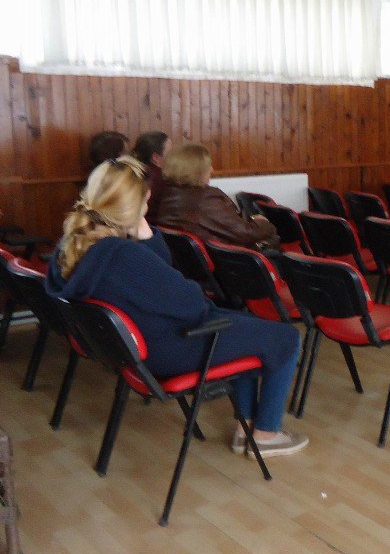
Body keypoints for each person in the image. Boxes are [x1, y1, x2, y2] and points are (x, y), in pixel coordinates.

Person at [45, 157, 307, 456]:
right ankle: (266, 434)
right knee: (285, 338)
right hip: (172, 348)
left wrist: (144, 234)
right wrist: (149, 241)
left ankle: (244, 426)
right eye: (146, 198)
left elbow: (160, 283)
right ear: (134, 204)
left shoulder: (71, 246)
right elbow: (192, 306)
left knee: (247, 326)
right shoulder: (124, 258)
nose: (149, 201)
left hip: (136, 349)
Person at [156, 143, 278, 249]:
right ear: (196, 170)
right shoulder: (206, 199)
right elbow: (246, 233)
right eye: (208, 166)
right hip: (233, 266)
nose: (212, 170)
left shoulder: (169, 193)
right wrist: (263, 222)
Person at [132, 131, 171, 224]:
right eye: (170, 152)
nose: (175, 157)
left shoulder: (130, 171)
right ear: (156, 157)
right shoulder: (161, 179)